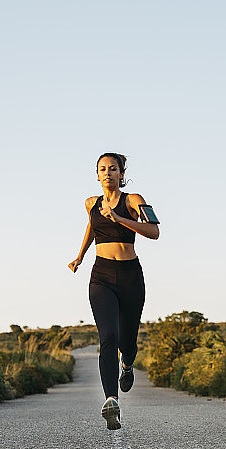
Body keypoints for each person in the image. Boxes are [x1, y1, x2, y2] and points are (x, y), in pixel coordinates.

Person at [68, 152, 160, 430]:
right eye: (102, 169)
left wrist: (119, 219)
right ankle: (112, 401)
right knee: (108, 336)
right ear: (97, 175)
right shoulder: (90, 203)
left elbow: (154, 232)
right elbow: (92, 227)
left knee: (127, 343)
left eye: (113, 168)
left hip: (131, 276)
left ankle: (128, 365)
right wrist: (80, 256)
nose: (107, 173)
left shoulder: (134, 201)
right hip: (102, 277)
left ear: (122, 173)